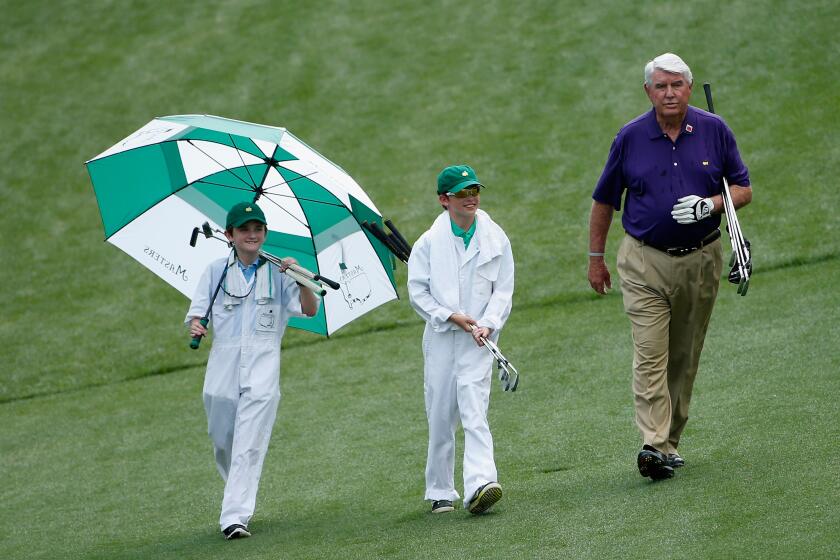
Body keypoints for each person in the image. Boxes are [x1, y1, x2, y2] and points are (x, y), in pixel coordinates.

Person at [588, 53, 753, 481]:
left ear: (689, 87)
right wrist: (595, 259)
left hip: (702, 259)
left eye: (676, 85)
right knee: (649, 356)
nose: (668, 93)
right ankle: (653, 444)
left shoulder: (714, 130)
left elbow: (743, 189)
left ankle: (670, 441)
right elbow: (605, 199)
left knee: (683, 355)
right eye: (660, 86)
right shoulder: (630, 137)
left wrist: (711, 204)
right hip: (644, 261)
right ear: (648, 92)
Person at [186, 201, 319, 539]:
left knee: (248, 443)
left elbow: (310, 309)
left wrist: (301, 277)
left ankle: (234, 516)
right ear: (229, 235)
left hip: (263, 367)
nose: (252, 234)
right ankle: (237, 489)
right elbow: (198, 314)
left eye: (257, 229)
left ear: (265, 233)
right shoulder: (215, 271)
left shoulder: (279, 271)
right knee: (223, 439)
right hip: (222, 367)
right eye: (244, 229)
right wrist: (197, 327)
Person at [407, 164, 515, 514]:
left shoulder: (496, 238)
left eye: (474, 192)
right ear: (444, 200)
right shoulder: (427, 244)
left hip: (478, 341)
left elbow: (504, 290)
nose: (472, 199)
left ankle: (481, 483)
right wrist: (449, 316)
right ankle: (440, 490)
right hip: (440, 339)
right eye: (463, 194)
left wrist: (488, 323)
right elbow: (418, 293)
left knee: (474, 410)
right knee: (440, 415)